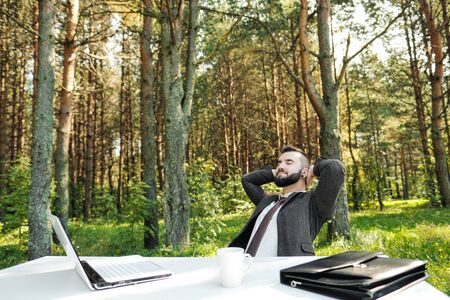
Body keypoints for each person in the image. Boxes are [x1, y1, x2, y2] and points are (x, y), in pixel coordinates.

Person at [229, 145, 345, 256]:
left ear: (304, 172)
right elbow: (247, 180)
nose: (281, 166)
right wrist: (277, 172)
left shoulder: (313, 203)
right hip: (246, 268)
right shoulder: (268, 200)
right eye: (279, 162)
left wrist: (312, 169)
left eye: (289, 162)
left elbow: (335, 168)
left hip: (283, 272)